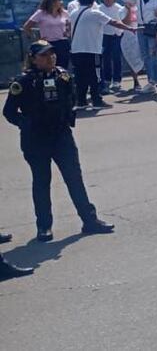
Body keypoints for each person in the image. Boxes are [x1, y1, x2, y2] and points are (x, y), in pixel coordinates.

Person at [3, 40, 116, 242]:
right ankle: (44, 227)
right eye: (44, 55)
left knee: (74, 177)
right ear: (34, 59)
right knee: (41, 181)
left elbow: (71, 100)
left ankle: (89, 220)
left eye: (52, 54)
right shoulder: (24, 82)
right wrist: (26, 124)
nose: (50, 58)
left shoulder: (63, 76)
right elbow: (9, 112)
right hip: (36, 139)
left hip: (61, 135)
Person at [68, 0, 135, 109]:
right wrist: (130, 28)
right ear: (92, 1)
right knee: (95, 76)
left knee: (80, 76)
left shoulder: (73, 13)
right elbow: (114, 22)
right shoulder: (95, 13)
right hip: (92, 50)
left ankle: (81, 101)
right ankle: (96, 101)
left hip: (76, 50)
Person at [120, 0, 157, 94]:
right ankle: (151, 82)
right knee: (145, 55)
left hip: (153, 28)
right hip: (141, 29)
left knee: (155, 55)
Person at [23, 0, 71, 69]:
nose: (61, 2)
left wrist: (67, 33)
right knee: (48, 66)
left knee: (62, 67)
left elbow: (69, 25)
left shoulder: (64, 13)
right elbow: (27, 27)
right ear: (52, 2)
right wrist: (36, 40)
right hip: (48, 44)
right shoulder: (41, 13)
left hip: (62, 43)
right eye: (59, 0)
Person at [98, 0, 127, 95]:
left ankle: (117, 80)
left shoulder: (119, 8)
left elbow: (124, 21)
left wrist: (119, 32)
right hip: (104, 37)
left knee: (116, 57)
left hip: (116, 36)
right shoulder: (98, 8)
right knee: (105, 58)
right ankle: (107, 79)